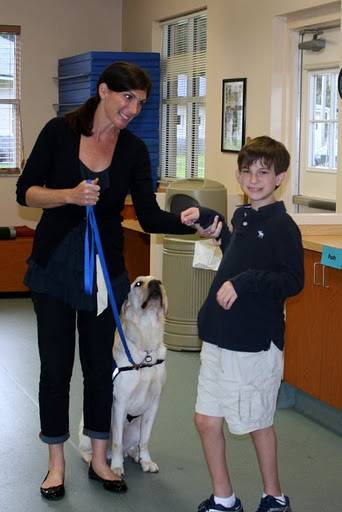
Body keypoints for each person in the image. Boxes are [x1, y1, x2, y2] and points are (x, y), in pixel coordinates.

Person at [16, 61, 197, 500]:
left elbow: (149, 214)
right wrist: (69, 196)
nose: (132, 109)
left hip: (106, 275)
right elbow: (25, 191)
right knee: (56, 371)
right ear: (103, 91)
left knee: (101, 370)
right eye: (127, 98)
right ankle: (56, 464)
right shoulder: (58, 133)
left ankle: (100, 458)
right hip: (55, 270)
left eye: (140, 102)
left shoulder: (134, 149)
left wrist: (187, 221)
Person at [181, 136, 304, 512]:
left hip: (253, 343)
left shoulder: (283, 226)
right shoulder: (244, 216)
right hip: (220, 336)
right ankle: (224, 498)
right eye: (247, 171)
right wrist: (217, 233)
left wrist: (246, 281)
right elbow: (240, 253)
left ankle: (274, 497)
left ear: (279, 177)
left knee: (256, 421)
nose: (254, 179)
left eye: (263, 172)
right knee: (206, 419)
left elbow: (291, 280)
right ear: (238, 175)